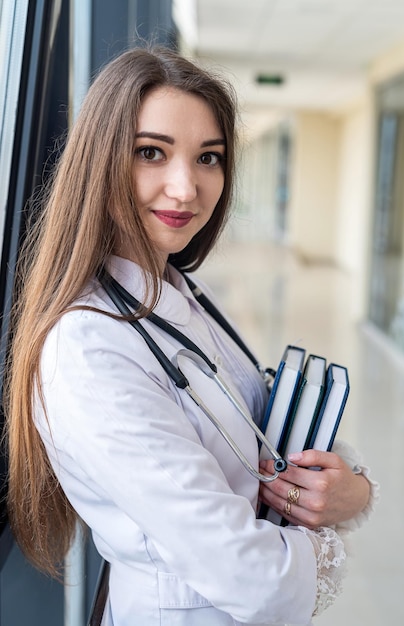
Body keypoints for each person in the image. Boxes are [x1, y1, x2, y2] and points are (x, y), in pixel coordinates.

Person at [5, 46, 378, 626]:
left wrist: (352, 490)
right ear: (100, 161)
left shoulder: (176, 295)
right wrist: (329, 542)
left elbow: (255, 425)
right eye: (151, 153)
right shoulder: (87, 350)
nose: (185, 188)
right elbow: (255, 579)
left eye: (209, 158)